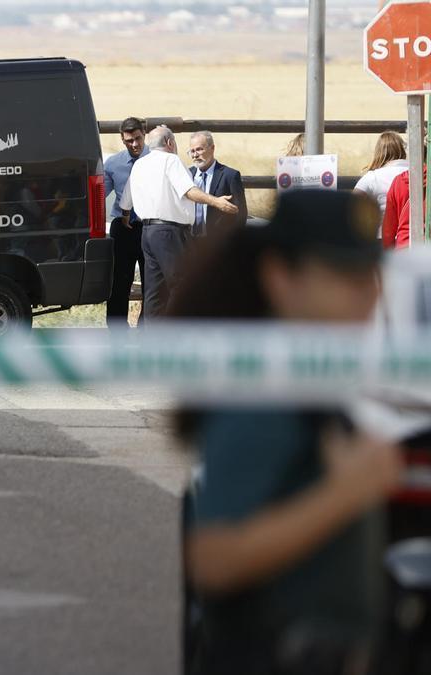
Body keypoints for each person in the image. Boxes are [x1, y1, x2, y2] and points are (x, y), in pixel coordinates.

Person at [171, 190, 402, 675]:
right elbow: (214, 557)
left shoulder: (305, 377)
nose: (369, 293)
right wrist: (348, 491)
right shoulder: (263, 392)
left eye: (370, 273)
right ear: (281, 276)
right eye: (345, 274)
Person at [118, 125, 238, 320]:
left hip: (147, 233)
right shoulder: (171, 161)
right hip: (169, 232)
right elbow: (188, 190)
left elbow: (126, 202)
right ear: (170, 143)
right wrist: (216, 202)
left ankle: (154, 340)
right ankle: (177, 332)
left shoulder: (139, 164)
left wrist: (125, 217)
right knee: (182, 285)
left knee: (154, 291)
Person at [104, 117, 149, 329]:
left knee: (152, 284)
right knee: (119, 284)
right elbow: (100, 193)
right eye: (129, 141)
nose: (134, 144)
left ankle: (146, 331)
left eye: (138, 139)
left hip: (150, 227)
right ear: (122, 140)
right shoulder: (113, 164)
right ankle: (116, 334)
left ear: (144, 134)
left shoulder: (158, 160)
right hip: (123, 229)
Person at [187, 131, 247, 238]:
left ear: (212, 148)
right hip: (189, 243)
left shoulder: (230, 176)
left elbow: (240, 215)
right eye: (192, 151)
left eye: (199, 149)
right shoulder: (187, 175)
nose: (195, 155)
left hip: (217, 244)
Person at [354, 130, 408, 238]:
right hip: (412, 238)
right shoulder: (419, 172)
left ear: (379, 152)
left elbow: (351, 203)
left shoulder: (372, 177)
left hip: (382, 238)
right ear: (402, 150)